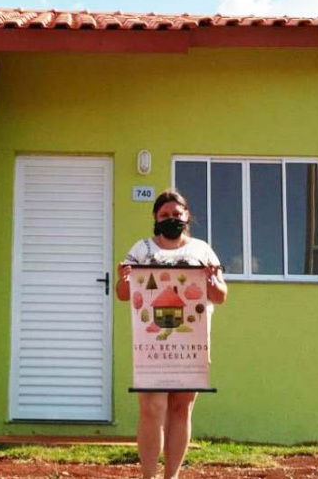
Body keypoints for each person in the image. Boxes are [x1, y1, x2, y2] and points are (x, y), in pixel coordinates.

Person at [116, 189, 228, 479]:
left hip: (192, 345)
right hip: (151, 347)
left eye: (177, 214)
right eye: (165, 215)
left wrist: (210, 280)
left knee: (181, 408)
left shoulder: (202, 250)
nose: (171, 219)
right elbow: (124, 293)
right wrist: (123, 279)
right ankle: (149, 476)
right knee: (152, 409)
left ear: (187, 216)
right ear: (155, 217)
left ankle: (172, 476)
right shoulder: (141, 249)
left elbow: (220, 295)